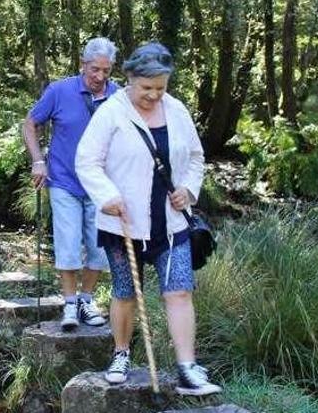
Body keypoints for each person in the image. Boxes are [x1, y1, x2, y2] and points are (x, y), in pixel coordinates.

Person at [75, 42, 221, 396]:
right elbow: (87, 161)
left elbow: (197, 157)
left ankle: (187, 368)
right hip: (124, 223)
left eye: (161, 88)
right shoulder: (111, 112)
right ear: (129, 80)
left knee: (180, 292)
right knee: (124, 292)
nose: (154, 95)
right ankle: (121, 354)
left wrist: (188, 188)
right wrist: (107, 196)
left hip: (172, 223)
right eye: (147, 88)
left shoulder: (178, 111)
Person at [23, 37, 119, 331]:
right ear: (82, 65)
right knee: (67, 245)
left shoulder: (118, 96)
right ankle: (68, 305)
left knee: (98, 249)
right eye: (94, 70)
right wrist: (38, 160)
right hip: (64, 180)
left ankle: (86, 301)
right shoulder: (59, 91)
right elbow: (30, 123)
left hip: (102, 186)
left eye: (106, 71)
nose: (100, 77)